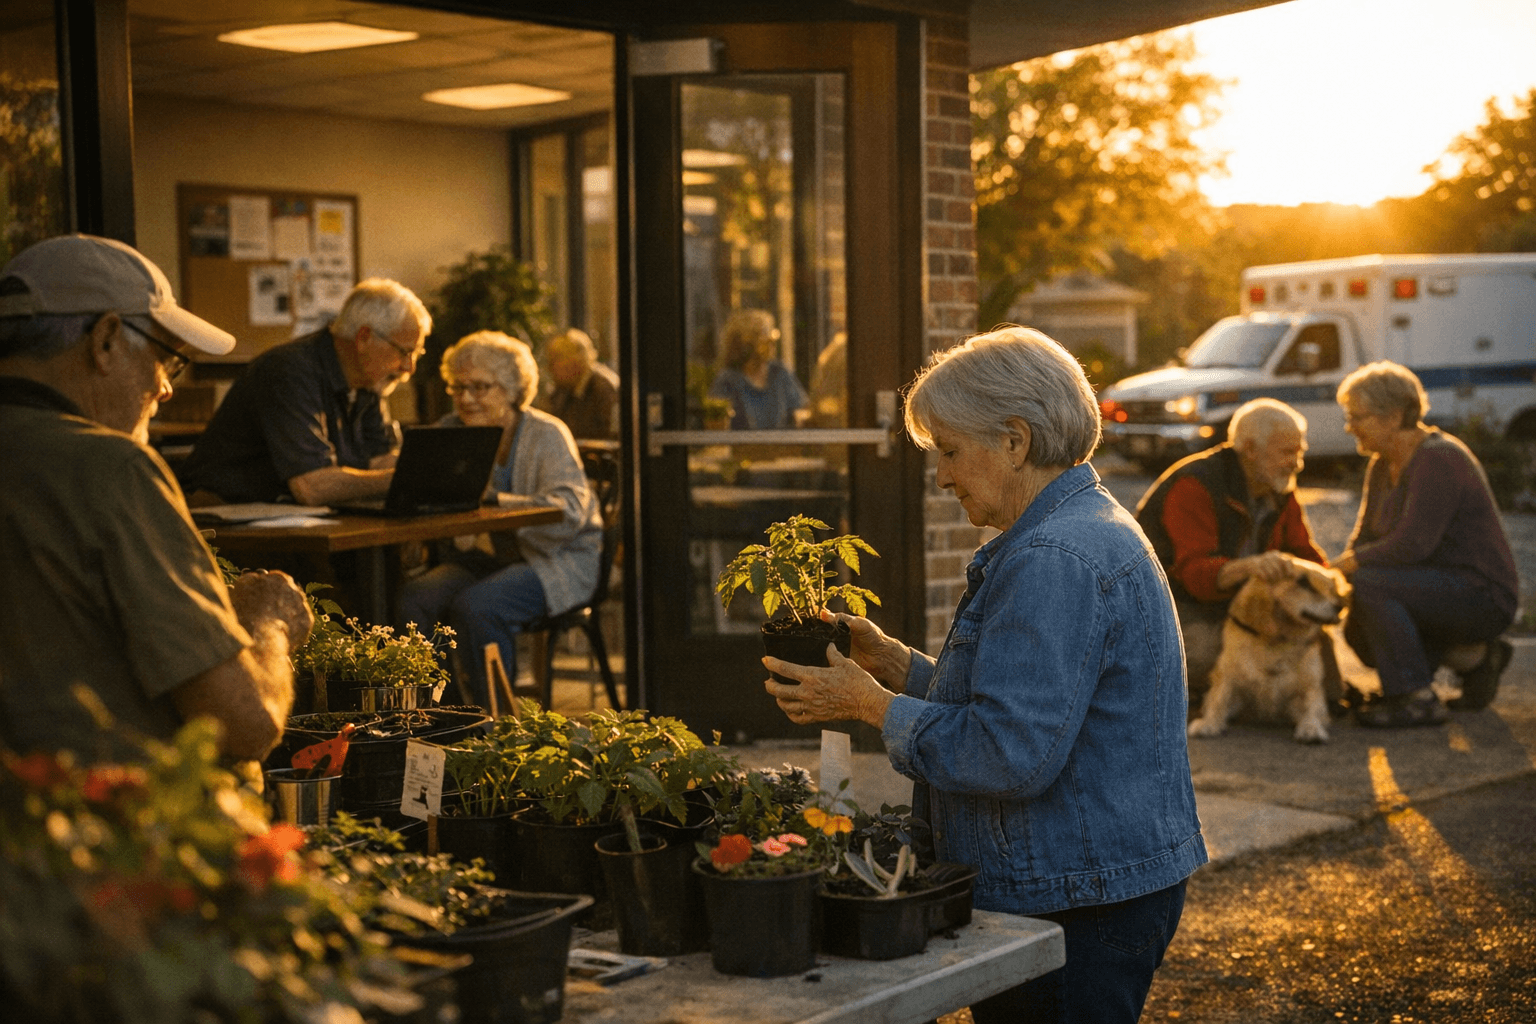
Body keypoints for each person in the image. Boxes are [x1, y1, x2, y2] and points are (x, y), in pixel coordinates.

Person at [763, 326, 1206, 1024]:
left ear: (1015, 441)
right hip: (1096, 884)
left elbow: (1008, 751)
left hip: (1072, 901)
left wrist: (872, 706)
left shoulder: (1054, 557)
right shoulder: (1082, 526)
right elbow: (1041, 706)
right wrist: (899, 667)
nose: (940, 475)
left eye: (948, 451)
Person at [0, 234, 313, 763]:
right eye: (166, 361)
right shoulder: (110, 468)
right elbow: (244, 724)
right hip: (113, 826)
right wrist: (268, 623)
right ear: (105, 340)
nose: (166, 389)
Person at [397, 331, 601, 708]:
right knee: (415, 601)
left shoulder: (547, 434)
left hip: (555, 560)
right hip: (481, 559)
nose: (466, 398)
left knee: (478, 607)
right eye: (457, 387)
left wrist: (496, 499)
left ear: (511, 389)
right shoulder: (449, 432)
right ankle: (452, 716)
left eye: (479, 387)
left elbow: (570, 509)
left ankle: (498, 723)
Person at [1334, 361, 1518, 725]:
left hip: (1482, 592)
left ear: (1394, 416)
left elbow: (1412, 545)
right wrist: (1337, 574)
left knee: (1370, 583)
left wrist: (1350, 565)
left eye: (1358, 417)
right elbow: (1365, 539)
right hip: (1432, 588)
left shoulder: (1439, 458)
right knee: (1359, 623)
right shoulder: (1381, 465)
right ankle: (1479, 659)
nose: (1349, 426)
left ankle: (1414, 697)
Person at [1134, 398, 1334, 704]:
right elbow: (1195, 576)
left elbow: (1305, 554)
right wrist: (1251, 567)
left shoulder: (1278, 489)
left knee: (1320, 658)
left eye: (1300, 452)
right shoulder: (1195, 484)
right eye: (1287, 452)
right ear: (1251, 450)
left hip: (1232, 602)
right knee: (1209, 651)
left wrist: (1332, 584)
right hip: (1171, 606)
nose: (1297, 463)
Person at [180, 278, 432, 505]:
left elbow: (378, 460)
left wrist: (434, 470)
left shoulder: (369, 379)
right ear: (364, 338)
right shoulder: (289, 371)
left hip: (290, 521)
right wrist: (400, 479)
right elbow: (311, 487)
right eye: (405, 352)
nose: (409, 368)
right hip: (225, 520)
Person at [708, 309, 808, 430]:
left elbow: (803, 410)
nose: (771, 341)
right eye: (763, 334)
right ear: (745, 342)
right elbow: (716, 425)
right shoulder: (728, 380)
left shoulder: (780, 372)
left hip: (781, 448)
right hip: (742, 448)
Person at [536, 327, 619, 440]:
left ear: (575, 360)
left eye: (554, 360)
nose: (549, 368)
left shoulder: (604, 388)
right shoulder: (564, 390)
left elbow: (610, 440)